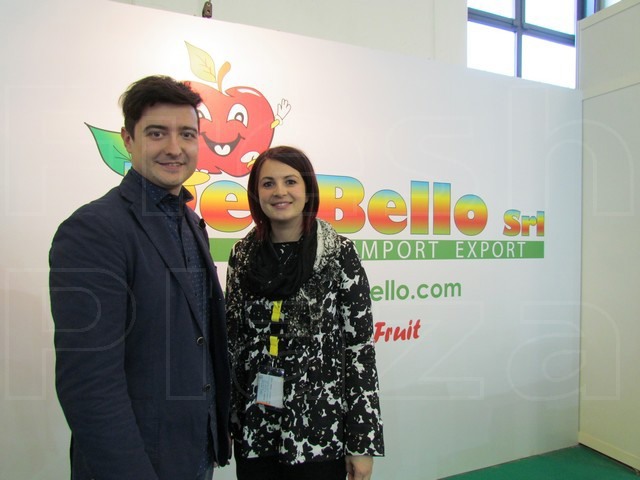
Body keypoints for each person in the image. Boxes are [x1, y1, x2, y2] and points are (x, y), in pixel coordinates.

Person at [49, 75, 231, 480]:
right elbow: (89, 386)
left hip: (195, 453)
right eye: (156, 133)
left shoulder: (191, 223)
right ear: (128, 140)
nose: (174, 148)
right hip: (137, 463)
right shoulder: (93, 230)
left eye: (187, 134)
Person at [225, 145, 384, 480]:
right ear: (256, 193)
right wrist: (227, 421)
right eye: (268, 183)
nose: (279, 192)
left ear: (308, 189)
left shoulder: (338, 253)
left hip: (320, 432)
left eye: (290, 181)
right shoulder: (242, 255)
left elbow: (359, 352)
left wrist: (361, 443)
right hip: (257, 430)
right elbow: (232, 345)